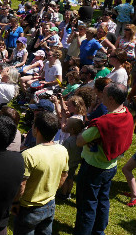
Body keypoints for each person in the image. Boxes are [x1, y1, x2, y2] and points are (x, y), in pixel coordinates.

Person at [74, 82, 134, 234]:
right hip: (110, 167)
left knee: (87, 205)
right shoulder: (126, 114)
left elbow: (79, 141)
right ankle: (99, 231)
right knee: (102, 201)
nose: (99, 96)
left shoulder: (103, 123)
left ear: (112, 99)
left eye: (103, 94)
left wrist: (85, 132)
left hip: (93, 168)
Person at [12, 112, 69, 235]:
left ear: (36, 130)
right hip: (50, 203)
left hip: (28, 208)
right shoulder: (63, 150)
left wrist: (15, 202)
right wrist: (51, 189)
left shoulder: (28, 155)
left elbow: (22, 185)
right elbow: (64, 175)